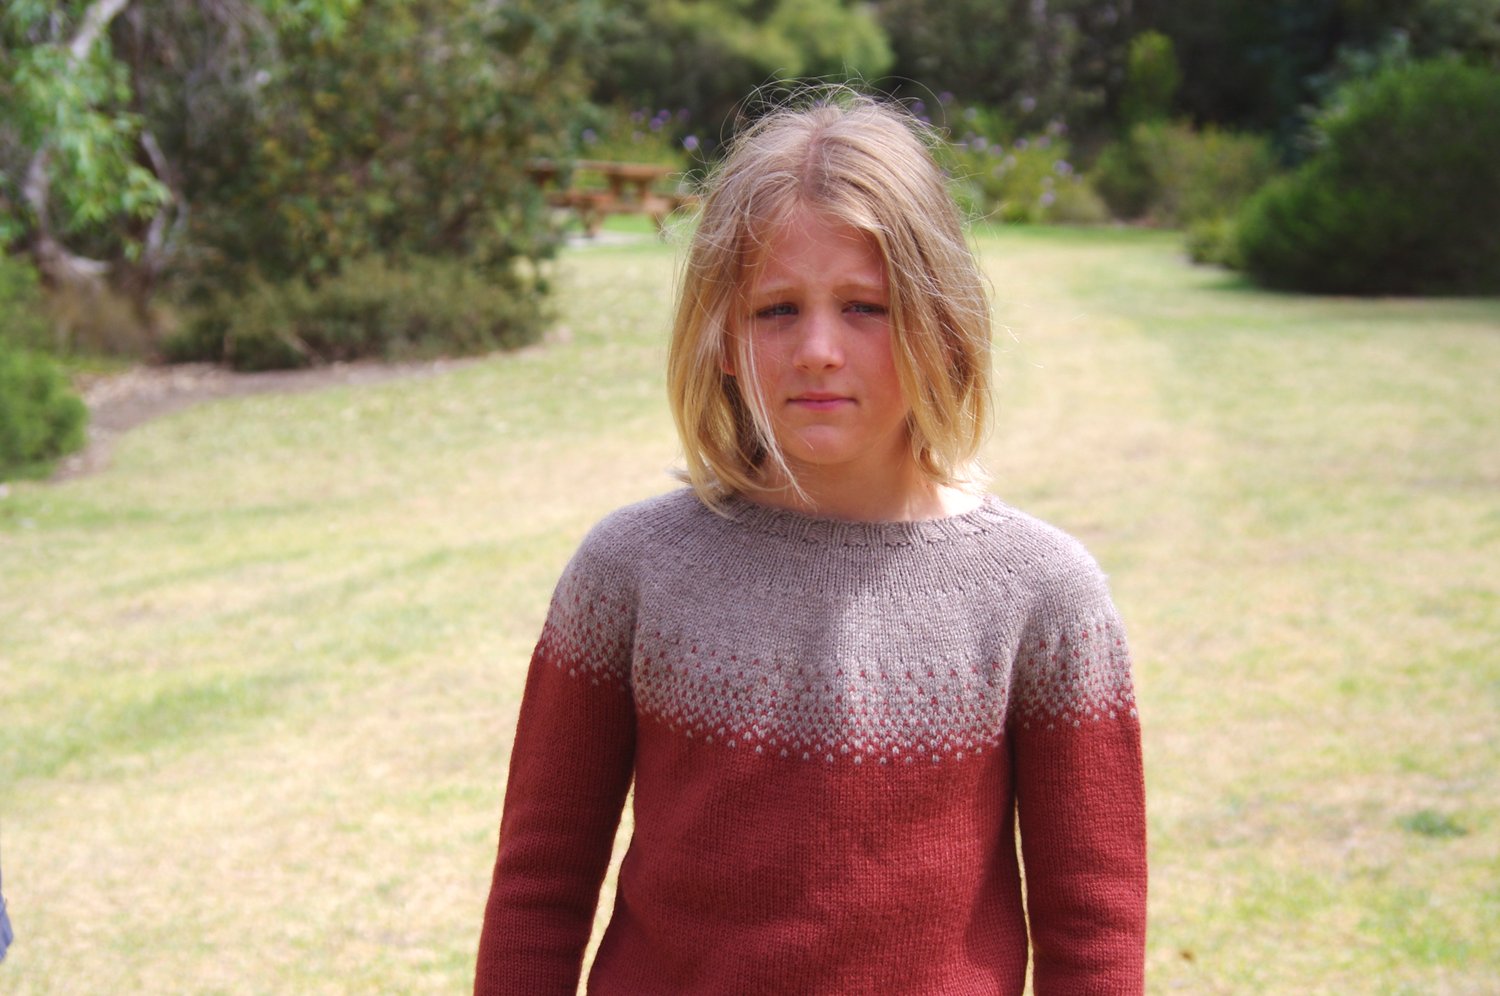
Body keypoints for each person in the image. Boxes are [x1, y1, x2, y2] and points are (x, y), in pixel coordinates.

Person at [474, 89, 1147, 995]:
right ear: (720, 334)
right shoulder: (629, 571)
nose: (818, 348)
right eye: (776, 310)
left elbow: (1093, 927)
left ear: (941, 325)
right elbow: (539, 887)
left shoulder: (1044, 594)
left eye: (865, 307)